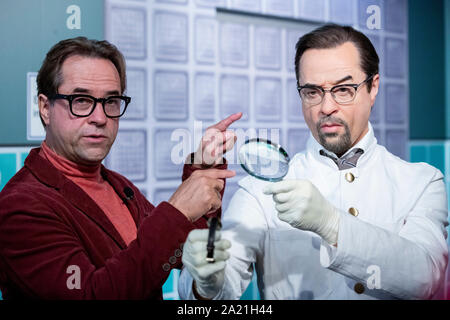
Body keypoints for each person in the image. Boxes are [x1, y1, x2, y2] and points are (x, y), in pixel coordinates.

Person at [178, 24, 449, 300]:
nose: (326, 107)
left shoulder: (422, 181)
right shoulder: (260, 191)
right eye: (312, 92)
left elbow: (426, 279)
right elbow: (219, 286)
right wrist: (206, 284)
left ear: (373, 87)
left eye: (344, 90)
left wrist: (332, 224)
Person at [0, 37, 242, 299]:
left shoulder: (118, 185)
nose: (100, 118)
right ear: (45, 108)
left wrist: (202, 171)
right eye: (81, 100)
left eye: (111, 101)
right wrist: (177, 211)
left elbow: (185, 250)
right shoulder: (21, 207)